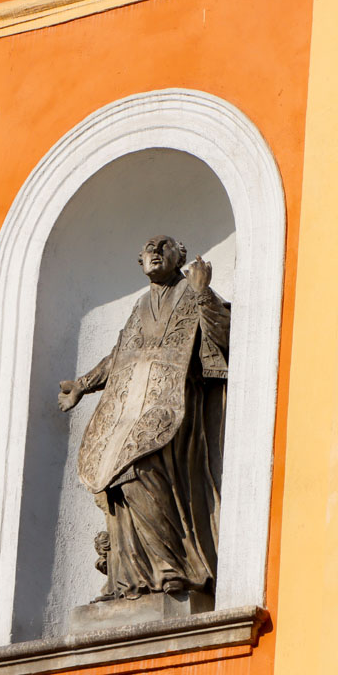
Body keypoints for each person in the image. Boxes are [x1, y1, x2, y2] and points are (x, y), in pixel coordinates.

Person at [58, 235, 230, 600]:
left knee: (139, 471)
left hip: (172, 408)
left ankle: (172, 566)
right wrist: (82, 386)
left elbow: (225, 334)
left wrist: (203, 293)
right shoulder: (139, 306)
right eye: (148, 248)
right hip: (133, 411)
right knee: (118, 481)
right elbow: (120, 356)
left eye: (163, 245)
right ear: (140, 262)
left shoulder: (192, 292)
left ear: (179, 256)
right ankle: (131, 576)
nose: (154, 251)